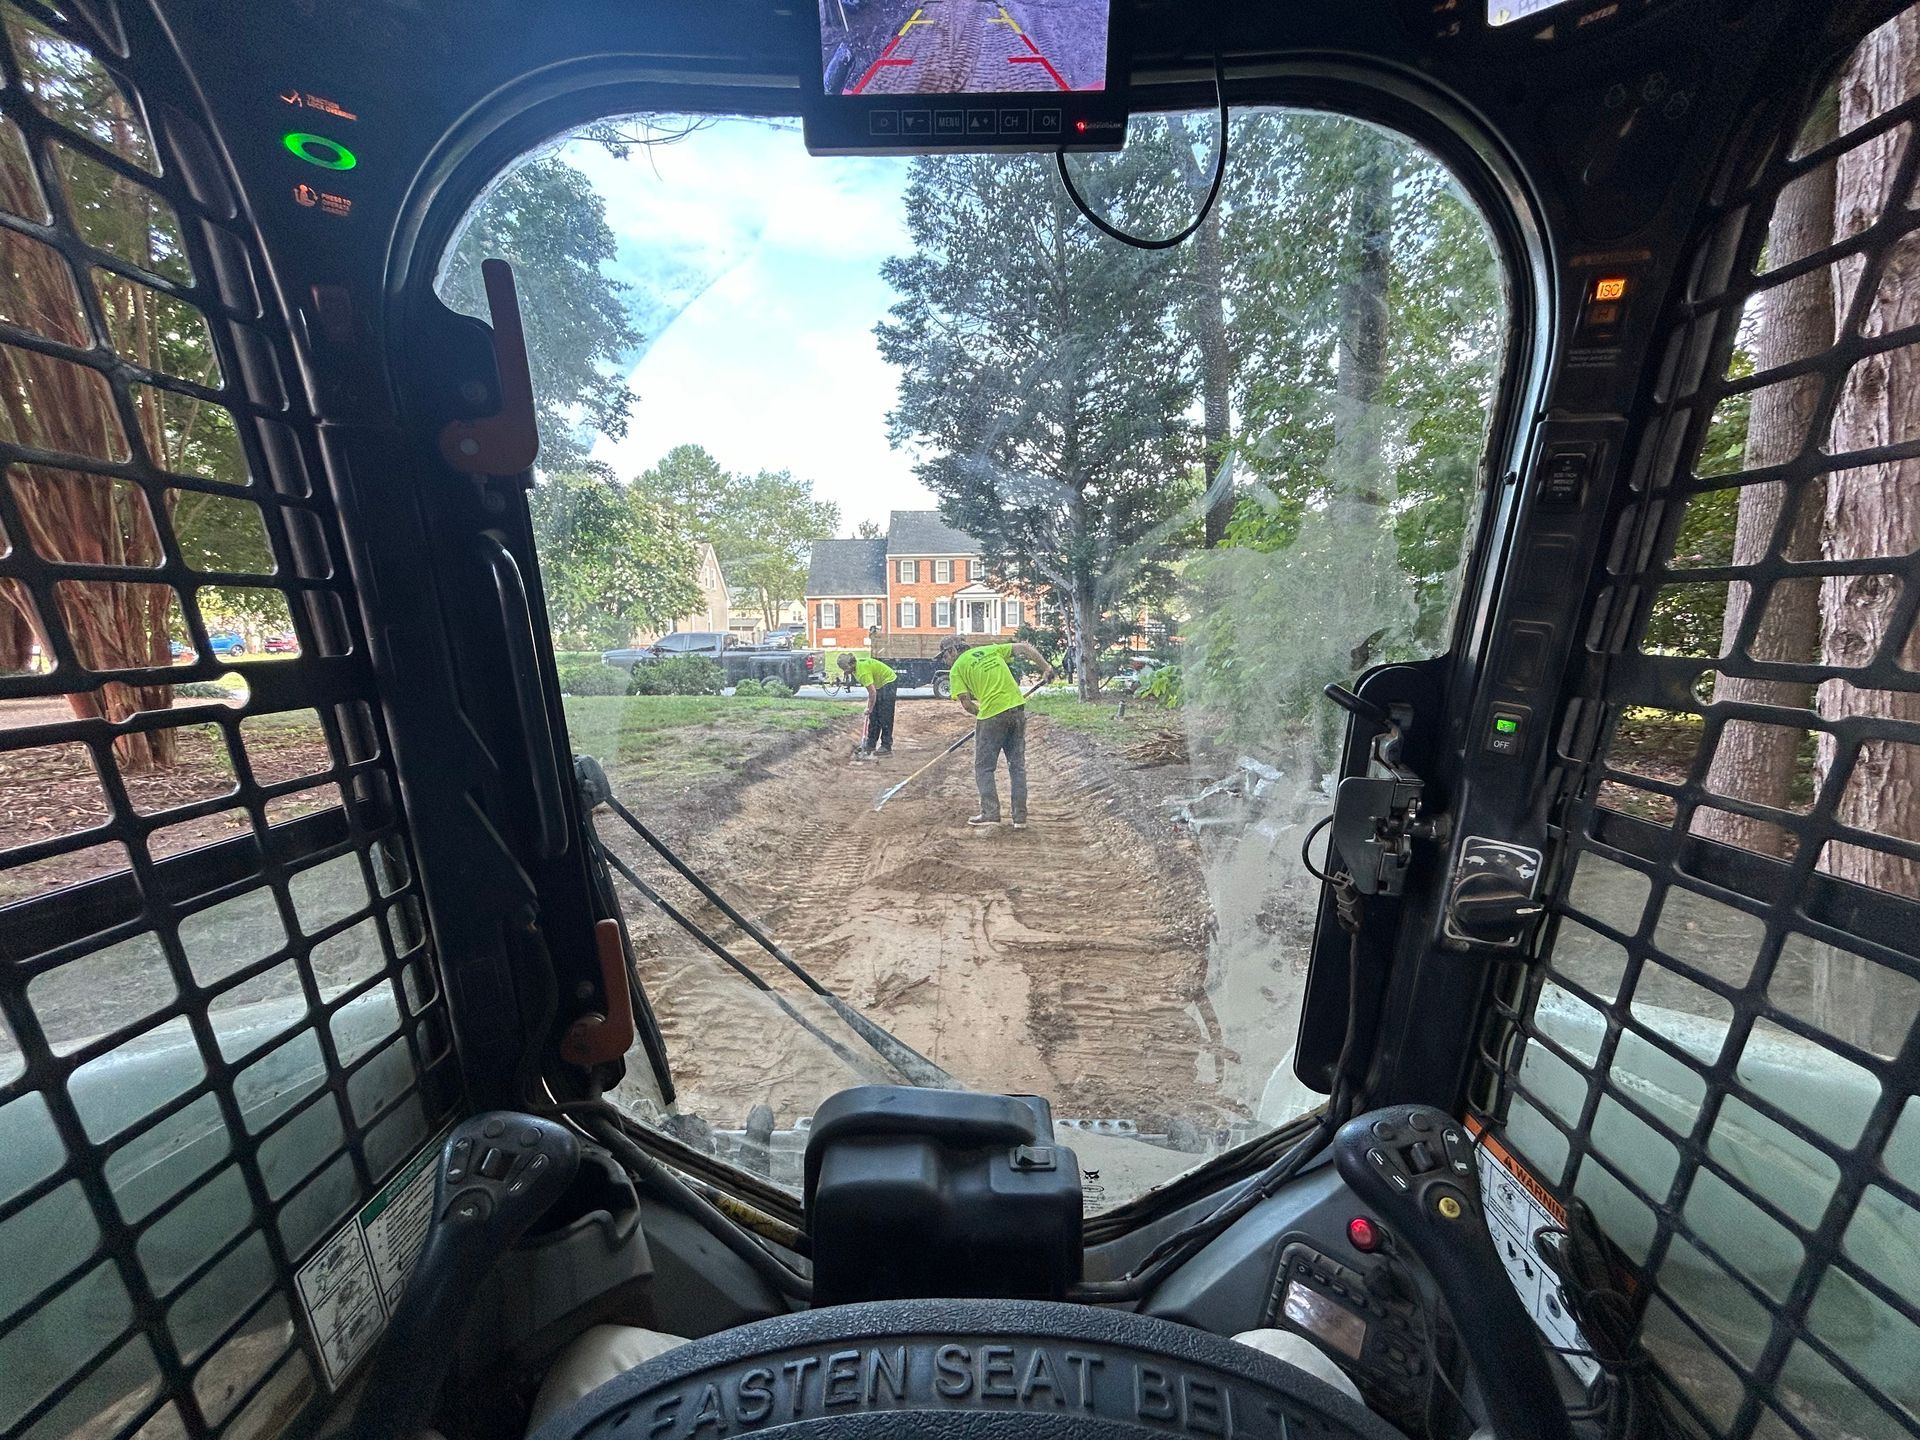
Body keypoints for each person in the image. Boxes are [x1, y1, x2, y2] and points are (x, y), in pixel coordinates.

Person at [937, 635, 1055, 828]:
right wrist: (1046, 668)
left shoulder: (957, 669)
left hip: (992, 715)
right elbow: (1024, 647)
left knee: (984, 767)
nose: (945, 661)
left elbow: (966, 704)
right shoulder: (991, 650)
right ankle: (1020, 818)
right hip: (1017, 710)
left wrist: (982, 716)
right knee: (1016, 766)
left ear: (953, 651)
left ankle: (990, 812)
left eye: (944, 656)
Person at [840, 651, 898, 759]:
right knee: (874, 717)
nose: (844, 671)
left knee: (885, 716)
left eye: (844, 668)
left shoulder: (862, 672)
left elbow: (872, 692)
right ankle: (870, 744)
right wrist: (872, 709)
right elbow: (872, 691)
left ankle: (886, 746)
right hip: (879, 685)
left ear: (850, 665)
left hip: (889, 681)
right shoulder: (855, 668)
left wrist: (869, 709)